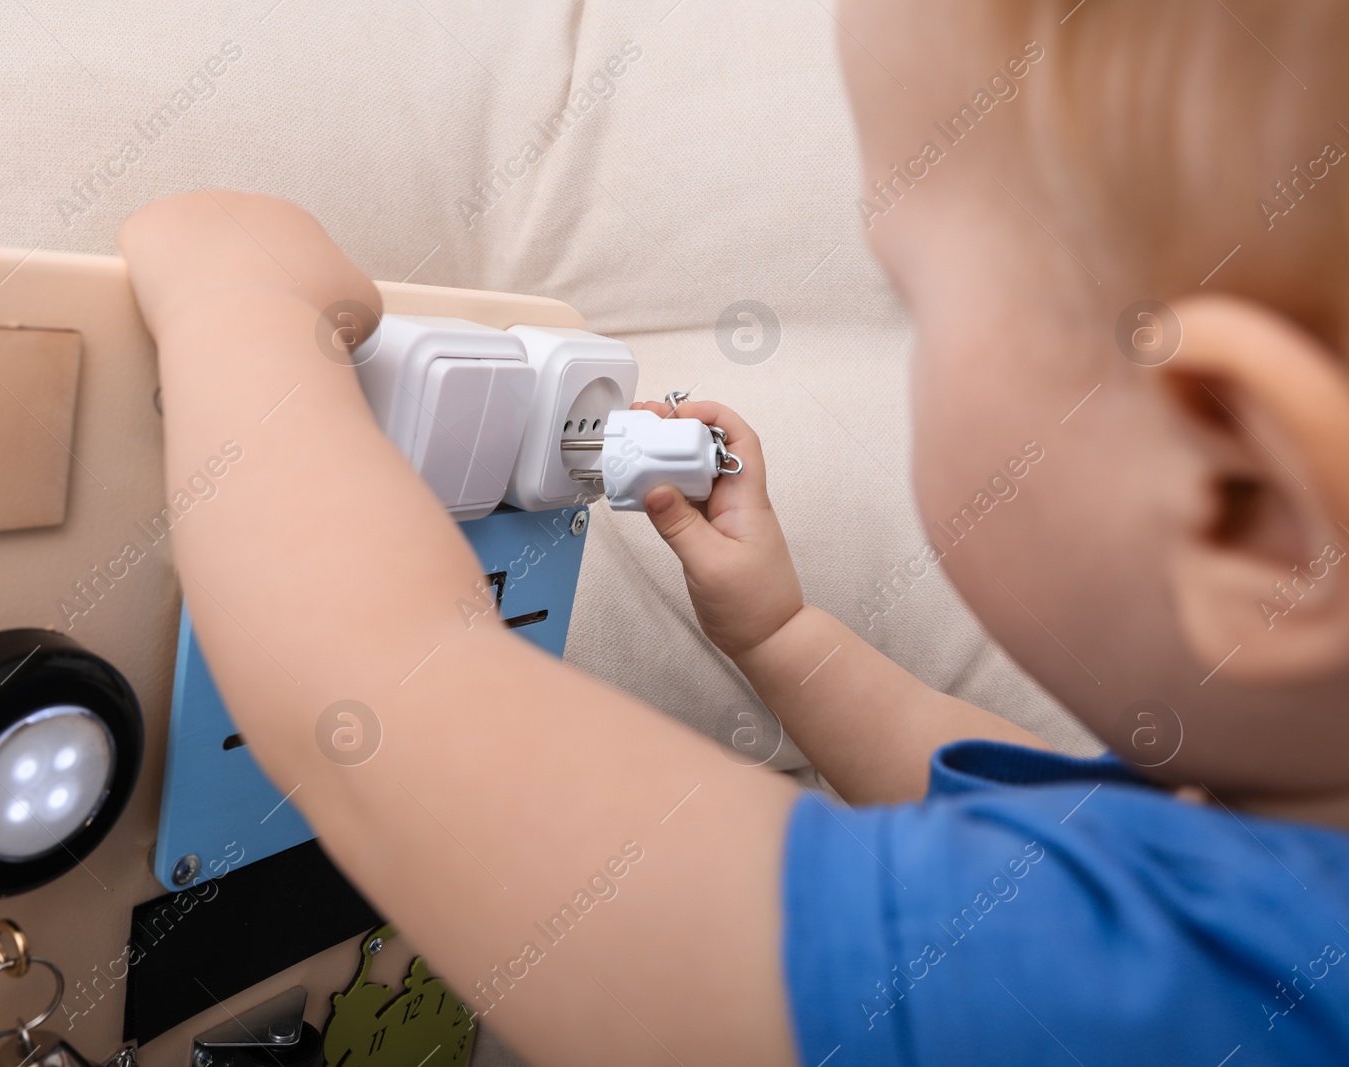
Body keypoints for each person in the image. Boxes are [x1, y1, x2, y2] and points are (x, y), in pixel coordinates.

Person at [116, 1, 1349, 1061]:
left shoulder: (1133, 997)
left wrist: (245, 315)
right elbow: (1036, 816)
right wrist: (785, 635)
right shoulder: (1267, 860)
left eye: (909, 300)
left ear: (1245, 507)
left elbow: (396, 707)